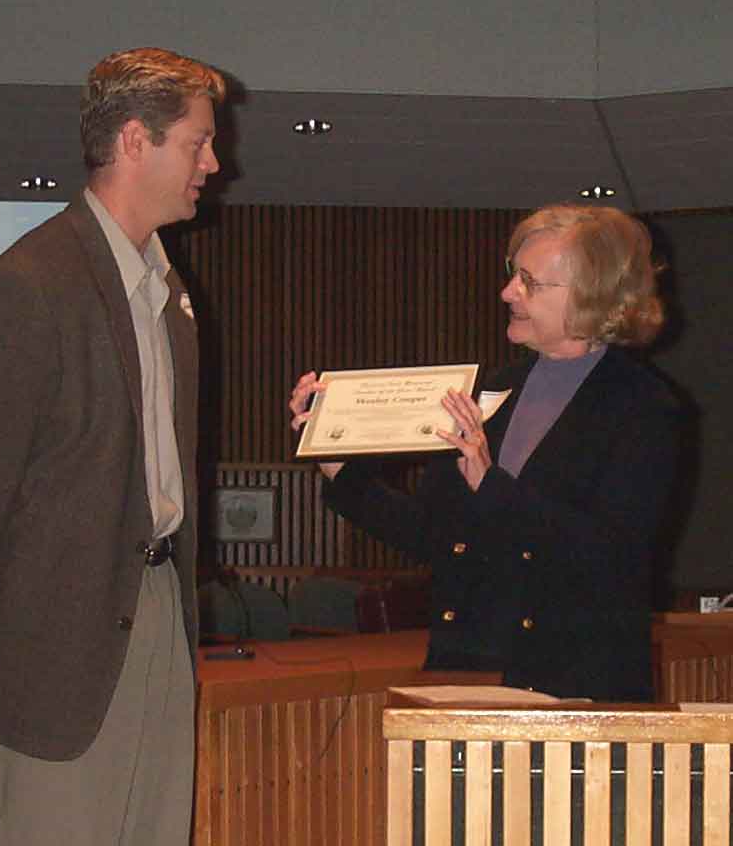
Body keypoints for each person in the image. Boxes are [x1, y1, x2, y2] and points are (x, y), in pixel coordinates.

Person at [0, 48, 224, 845]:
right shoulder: (27, 286)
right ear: (136, 141)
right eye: (197, 142)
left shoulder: (169, 294)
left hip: (155, 619)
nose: (215, 162)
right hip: (48, 656)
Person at [290, 204, 680, 701]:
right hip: (466, 676)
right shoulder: (496, 391)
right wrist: (335, 461)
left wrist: (490, 485)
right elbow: (430, 533)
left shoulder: (641, 406)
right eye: (512, 274)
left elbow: (610, 556)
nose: (507, 292)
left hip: (578, 687)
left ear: (592, 295)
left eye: (529, 282)